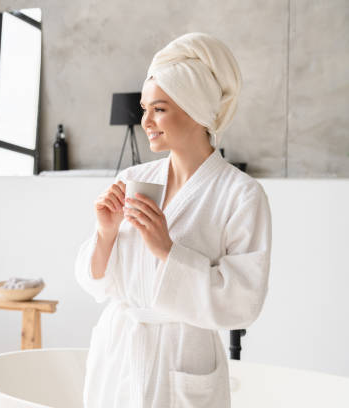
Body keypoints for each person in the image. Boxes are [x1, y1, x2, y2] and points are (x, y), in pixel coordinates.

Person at [74, 32, 272, 408]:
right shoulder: (135, 178)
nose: (146, 120)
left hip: (183, 357)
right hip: (118, 353)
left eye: (159, 108)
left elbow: (243, 302)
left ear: (196, 110)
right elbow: (96, 283)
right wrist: (105, 233)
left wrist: (168, 250)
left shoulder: (240, 194)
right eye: (144, 108)